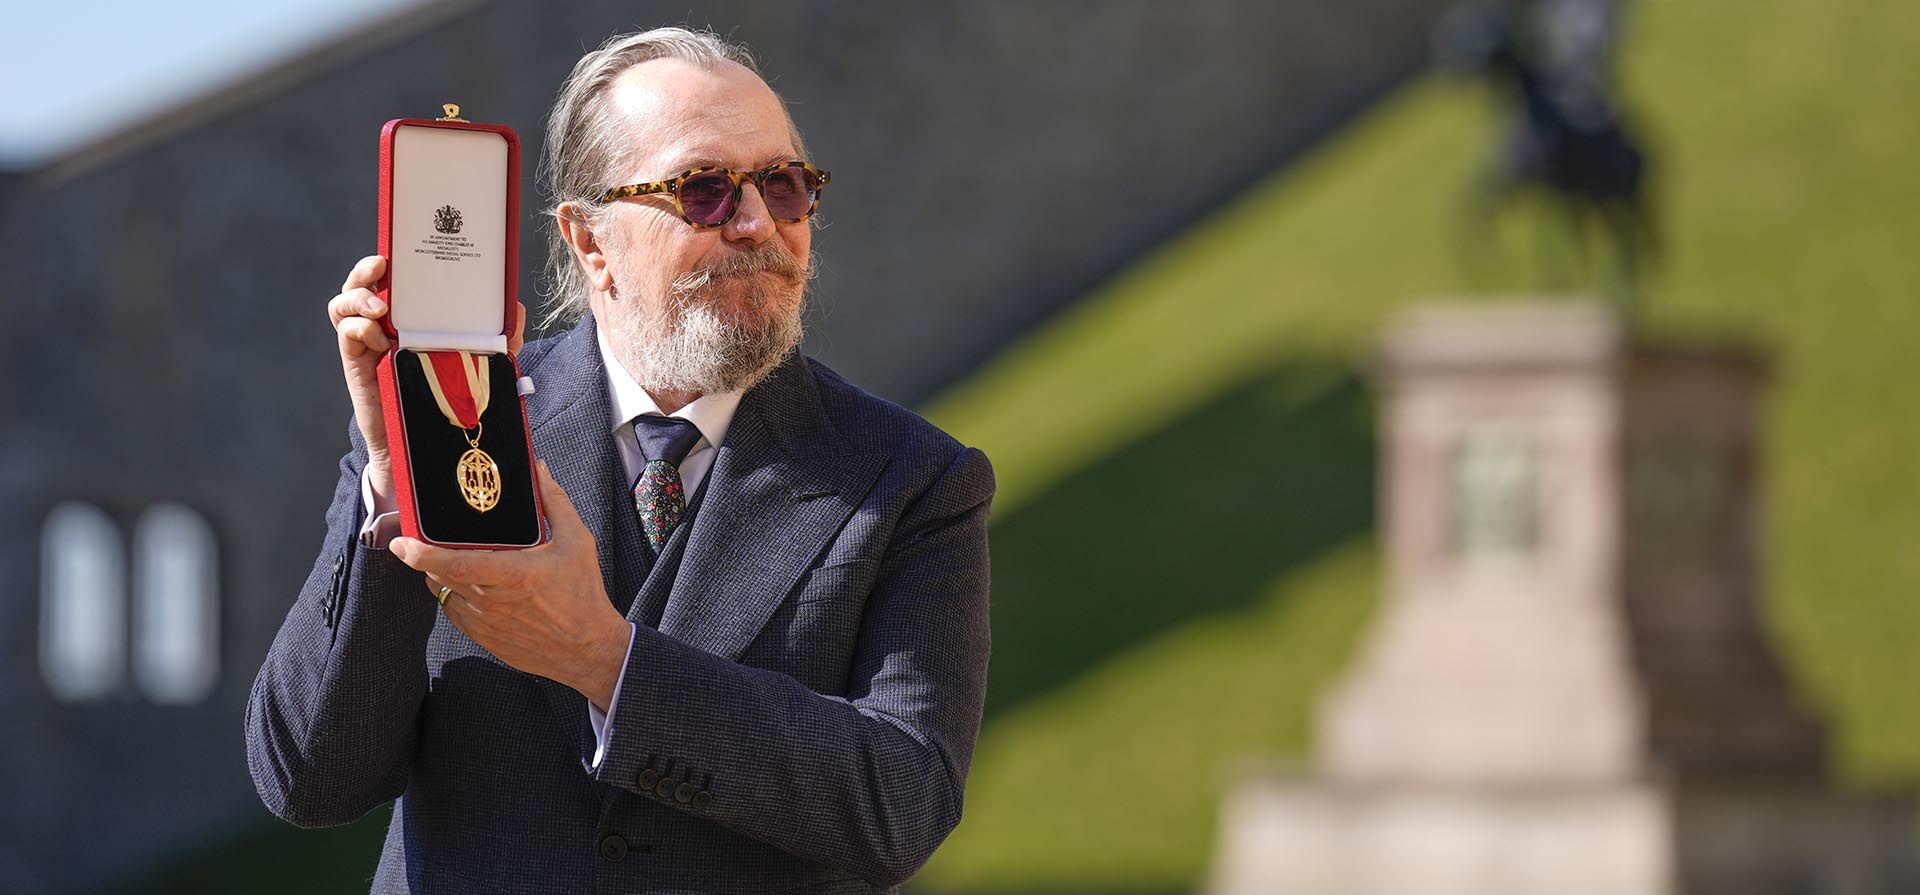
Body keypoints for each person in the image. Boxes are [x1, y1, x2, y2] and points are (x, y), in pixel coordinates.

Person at [246, 27, 993, 894]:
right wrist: (392, 473)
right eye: (703, 189)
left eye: (784, 186)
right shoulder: (457, 422)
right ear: (589, 241)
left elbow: (903, 801)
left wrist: (606, 658)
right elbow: (310, 779)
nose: (757, 223)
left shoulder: (911, 478)